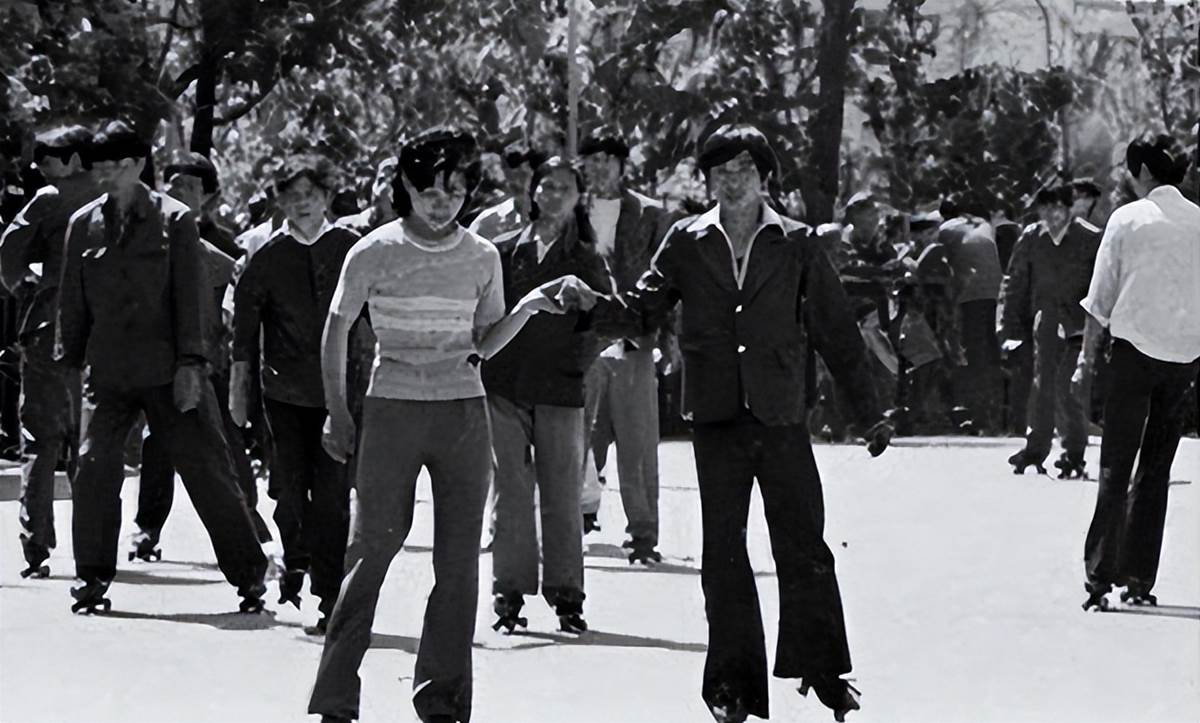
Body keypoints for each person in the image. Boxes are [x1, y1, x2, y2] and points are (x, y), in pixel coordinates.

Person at [603, 124, 893, 722]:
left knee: (804, 543)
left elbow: (836, 331)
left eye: (744, 170)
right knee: (724, 553)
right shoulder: (686, 240)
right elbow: (643, 308)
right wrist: (585, 306)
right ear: (708, 180)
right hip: (716, 415)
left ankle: (823, 670)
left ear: (764, 177)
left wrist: (869, 413)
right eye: (721, 172)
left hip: (781, 411)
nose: (732, 182)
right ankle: (732, 685)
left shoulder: (797, 242)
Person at [307, 127, 562, 723]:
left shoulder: (482, 256)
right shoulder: (372, 251)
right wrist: (337, 412)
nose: (441, 203)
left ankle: (443, 698)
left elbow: (483, 343)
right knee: (370, 551)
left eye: (454, 190)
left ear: (469, 189)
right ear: (406, 186)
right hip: (391, 410)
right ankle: (335, 698)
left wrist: (528, 308)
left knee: (458, 561)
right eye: (428, 191)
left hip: (462, 415)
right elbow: (336, 329)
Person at [55, 120, 268, 614]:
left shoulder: (176, 220)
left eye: (116, 167)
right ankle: (91, 578)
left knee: (208, 471)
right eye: (100, 168)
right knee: (92, 467)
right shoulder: (82, 224)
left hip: (169, 369)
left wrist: (192, 363)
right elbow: (72, 301)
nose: (106, 176)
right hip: (108, 371)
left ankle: (249, 575)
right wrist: (68, 363)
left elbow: (191, 296)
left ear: (137, 166)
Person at [482, 156, 618, 635]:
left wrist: (581, 352)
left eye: (565, 188)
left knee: (562, 493)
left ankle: (567, 595)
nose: (554, 195)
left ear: (579, 197)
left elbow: (608, 320)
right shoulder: (501, 251)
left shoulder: (587, 258)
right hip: (504, 383)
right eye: (547, 186)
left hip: (561, 385)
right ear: (533, 191)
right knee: (511, 491)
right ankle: (508, 593)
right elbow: (485, 313)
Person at [230, 151, 359, 628]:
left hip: (339, 393)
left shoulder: (351, 248)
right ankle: (294, 558)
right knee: (287, 490)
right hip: (282, 395)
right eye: (292, 195)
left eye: (311, 194)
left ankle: (330, 595)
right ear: (279, 200)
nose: (302, 203)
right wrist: (239, 394)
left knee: (332, 496)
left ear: (327, 196)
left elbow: (376, 317)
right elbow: (243, 334)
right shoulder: (265, 257)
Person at [1075, 134, 1199, 611]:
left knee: (1116, 463)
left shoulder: (1127, 219)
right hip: (1184, 359)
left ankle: (1100, 577)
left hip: (1132, 354)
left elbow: (1099, 299)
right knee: (1156, 468)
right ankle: (1139, 578)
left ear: (1143, 171)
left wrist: (1086, 361)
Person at [129, 151, 273, 563]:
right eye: (172, 184)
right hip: (161, 358)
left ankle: (249, 524)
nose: (178, 192)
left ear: (209, 196)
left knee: (227, 444)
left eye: (190, 186)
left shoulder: (228, 246)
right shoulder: (147, 236)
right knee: (157, 444)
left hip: (214, 361)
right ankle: (146, 529)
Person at [0, 124, 96, 578]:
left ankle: (36, 543)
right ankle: (93, 545)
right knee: (92, 442)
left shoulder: (49, 198)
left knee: (40, 438)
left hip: (49, 327)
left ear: (73, 159)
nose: (39, 167)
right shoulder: (115, 196)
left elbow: (8, 250)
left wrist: (24, 283)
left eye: (47, 159)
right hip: (103, 331)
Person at [577, 133, 677, 560]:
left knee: (637, 445)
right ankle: (571, 523)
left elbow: (672, 278)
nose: (599, 167)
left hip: (633, 339)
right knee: (577, 439)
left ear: (622, 165)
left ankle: (643, 534)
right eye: (591, 160)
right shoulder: (569, 210)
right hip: (580, 341)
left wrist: (670, 338)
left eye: (607, 159)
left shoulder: (650, 214)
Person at [1000, 182, 1101, 476]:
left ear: (1069, 208)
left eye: (1057, 207)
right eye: (1045, 208)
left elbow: (1101, 283)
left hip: (1078, 325)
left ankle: (1073, 453)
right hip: (1045, 322)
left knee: (1068, 388)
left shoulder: (1089, 238)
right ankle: (1035, 449)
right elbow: (1015, 282)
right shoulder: (1032, 238)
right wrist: (1009, 326)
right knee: (1042, 386)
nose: (1052, 215)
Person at [937, 197, 1004, 434]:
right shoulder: (983, 225)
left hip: (971, 295)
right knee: (987, 352)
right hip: (993, 293)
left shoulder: (947, 229)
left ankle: (978, 413)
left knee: (972, 354)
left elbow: (932, 259)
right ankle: (995, 413)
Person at [467, 142, 544, 241]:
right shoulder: (488, 220)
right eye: (509, 173)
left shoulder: (553, 215)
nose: (515, 180)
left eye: (522, 174)